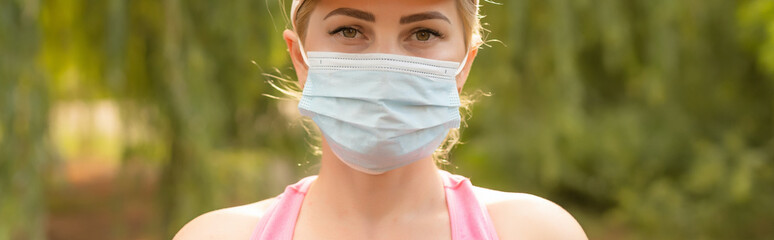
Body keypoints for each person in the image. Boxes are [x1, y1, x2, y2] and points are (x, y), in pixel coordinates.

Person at [175, 0, 588, 239]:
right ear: (300, 57)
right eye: (349, 30)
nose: (386, 65)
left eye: (423, 33)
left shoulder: (537, 233)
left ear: (464, 65)